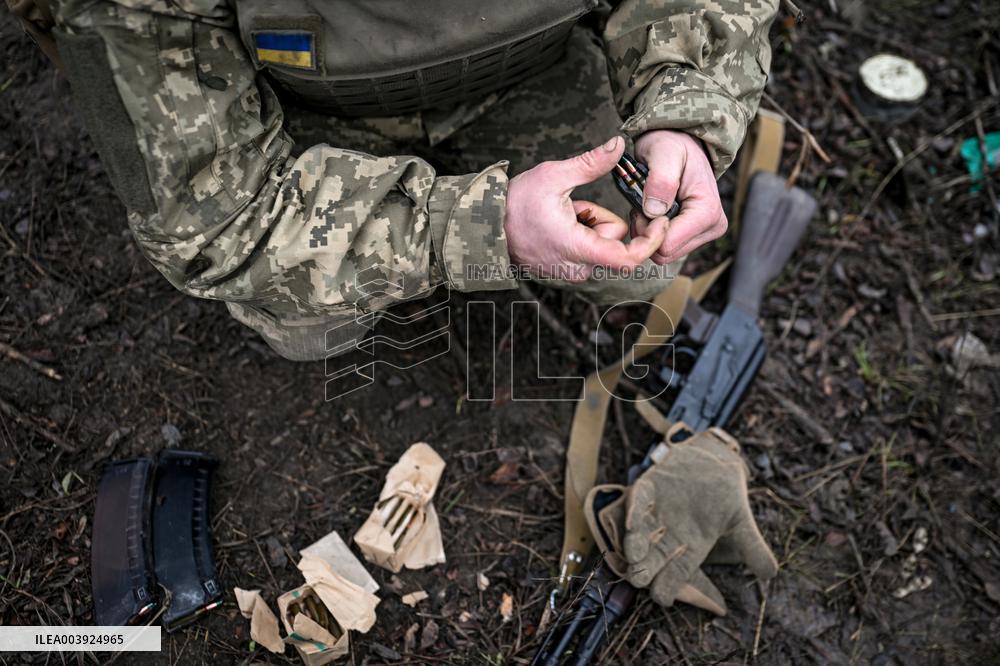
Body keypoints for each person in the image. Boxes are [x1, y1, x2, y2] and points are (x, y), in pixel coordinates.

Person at [8, 0, 779, 361]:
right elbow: (215, 216)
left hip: (532, 70)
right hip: (298, 117)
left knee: (647, 258)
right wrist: (478, 228)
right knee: (310, 326)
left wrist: (684, 104)